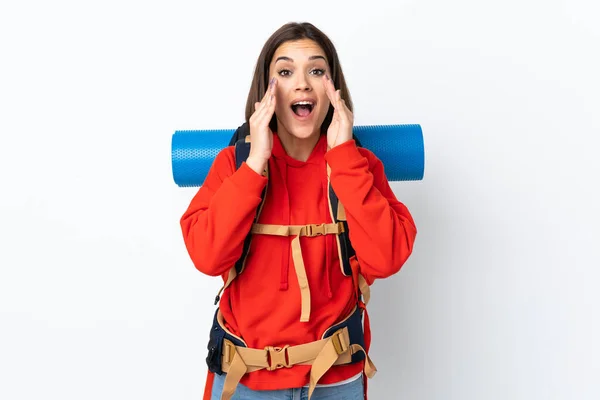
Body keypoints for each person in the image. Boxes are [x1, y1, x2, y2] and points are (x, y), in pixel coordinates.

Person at [180, 22, 417, 400]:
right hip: (245, 381)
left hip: (335, 379)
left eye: (317, 70)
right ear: (267, 91)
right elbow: (208, 256)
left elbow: (386, 260)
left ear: (332, 90)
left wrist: (344, 161)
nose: (303, 83)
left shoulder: (359, 165)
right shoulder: (233, 164)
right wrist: (255, 162)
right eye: (286, 72)